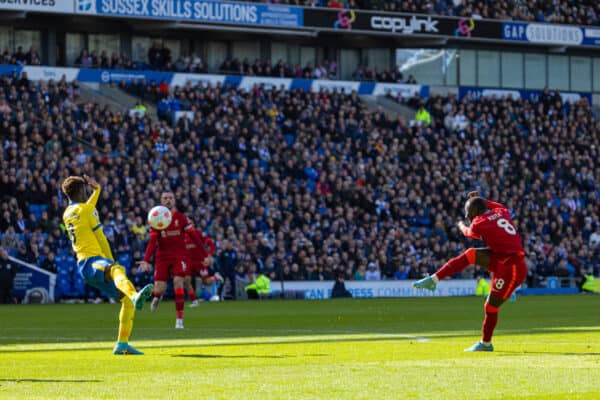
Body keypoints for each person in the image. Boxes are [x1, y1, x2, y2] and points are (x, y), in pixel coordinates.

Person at [413, 191, 527, 352]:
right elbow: (497, 206)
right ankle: (434, 279)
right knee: (471, 254)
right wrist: (482, 199)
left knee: (491, 307)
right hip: (502, 258)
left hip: (512, 267)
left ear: (474, 212)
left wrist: (460, 226)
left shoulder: (479, 222)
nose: (468, 218)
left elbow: (468, 233)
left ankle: (486, 344)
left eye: (468, 214)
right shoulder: (500, 211)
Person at [61, 175, 154, 355]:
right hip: (92, 261)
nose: (87, 192)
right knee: (117, 270)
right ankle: (135, 296)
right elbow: (101, 237)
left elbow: (87, 208)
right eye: (85, 190)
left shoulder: (68, 212)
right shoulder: (86, 210)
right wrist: (112, 261)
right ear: (81, 191)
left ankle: (122, 344)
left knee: (125, 302)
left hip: (85, 265)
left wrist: (97, 190)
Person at [137, 191, 204, 329]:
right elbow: (152, 242)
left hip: (180, 256)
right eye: (165, 198)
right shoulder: (156, 218)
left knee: (178, 282)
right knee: (159, 289)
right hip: (162, 257)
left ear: (175, 200)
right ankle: (157, 297)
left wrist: (205, 254)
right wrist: (146, 260)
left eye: (171, 198)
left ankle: (179, 320)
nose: (168, 200)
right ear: (161, 201)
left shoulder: (182, 218)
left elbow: (194, 237)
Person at [183, 226, 222, 306]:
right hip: (188, 262)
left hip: (199, 262)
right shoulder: (182, 235)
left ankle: (216, 277)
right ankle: (194, 301)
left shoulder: (198, 234)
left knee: (206, 282)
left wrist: (209, 255)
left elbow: (210, 243)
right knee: (186, 281)